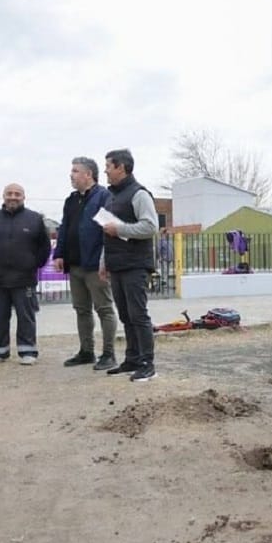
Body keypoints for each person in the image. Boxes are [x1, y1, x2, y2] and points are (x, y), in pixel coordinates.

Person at [99, 149, 159, 382]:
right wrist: (104, 262)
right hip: (118, 264)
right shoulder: (111, 197)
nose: (105, 170)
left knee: (138, 315)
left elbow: (150, 227)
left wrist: (121, 229)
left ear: (121, 168)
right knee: (125, 315)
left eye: (108, 166)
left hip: (135, 265)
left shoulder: (139, 194)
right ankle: (132, 359)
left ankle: (147, 363)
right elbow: (108, 231)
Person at [53, 157, 118, 371]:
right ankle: (86, 351)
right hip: (75, 264)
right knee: (81, 309)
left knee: (104, 309)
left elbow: (108, 231)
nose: (71, 175)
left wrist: (105, 260)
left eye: (75, 170)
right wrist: (59, 254)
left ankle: (108, 353)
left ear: (88, 174)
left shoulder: (103, 197)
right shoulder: (71, 200)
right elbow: (64, 228)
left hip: (94, 264)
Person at [0, 184, 51, 365]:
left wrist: (33, 264)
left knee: (26, 315)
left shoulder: (34, 219)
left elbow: (44, 246)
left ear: (24, 197)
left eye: (17, 194)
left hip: (24, 279)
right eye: (9, 194)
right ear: (3, 196)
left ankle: (28, 350)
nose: (13, 197)